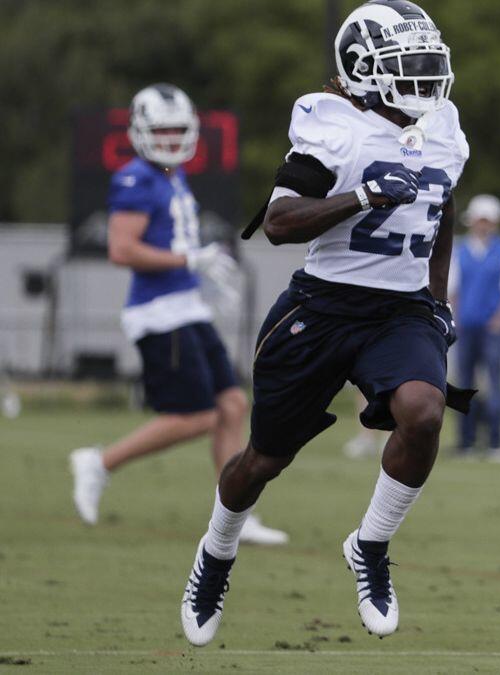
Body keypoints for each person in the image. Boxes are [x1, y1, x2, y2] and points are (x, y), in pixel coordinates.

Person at [176, 0, 468, 646]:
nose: (424, 79)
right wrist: (361, 196)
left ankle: (370, 544)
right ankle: (217, 549)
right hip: (323, 306)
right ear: (362, 69)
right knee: (261, 460)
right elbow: (280, 222)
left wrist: (438, 299)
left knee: (424, 411)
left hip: (400, 309)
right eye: (407, 66)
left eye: (428, 64)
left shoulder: (442, 125)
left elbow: (442, 208)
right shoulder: (333, 125)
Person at [69, 83, 287, 546]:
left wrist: (202, 275)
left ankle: (234, 517)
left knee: (232, 406)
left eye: (177, 130)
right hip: (159, 313)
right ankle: (99, 462)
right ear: (140, 131)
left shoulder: (172, 174)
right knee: (195, 416)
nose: (170, 139)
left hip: (186, 307)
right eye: (161, 130)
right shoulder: (135, 178)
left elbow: (172, 242)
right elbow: (121, 248)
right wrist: (189, 262)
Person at [449, 194, 500, 462]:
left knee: (493, 384)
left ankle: (495, 443)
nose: (483, 225)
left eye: (487, 221)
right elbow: (453, 290)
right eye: (479, 220)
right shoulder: (459, 250)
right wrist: (455, 318)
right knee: (465, 385)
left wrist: (499, 319)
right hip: (466, 327)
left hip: (493, 328)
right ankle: (466, 442)